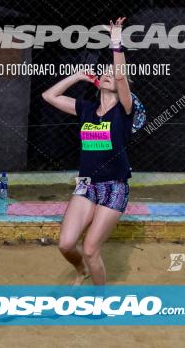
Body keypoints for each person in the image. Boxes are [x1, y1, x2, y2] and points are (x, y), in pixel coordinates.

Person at [42, 17, 134, 286]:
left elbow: (120, 74)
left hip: (115, 187)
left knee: (92, 248)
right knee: (66, 243)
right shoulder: (86, 109)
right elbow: (49, 96)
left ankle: (99, 299)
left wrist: (116, 42)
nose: (108, 74)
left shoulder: (124, 110)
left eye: (112, 74)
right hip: (87, 186)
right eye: (103, 72)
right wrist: (78, 76)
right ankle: (80, 270)